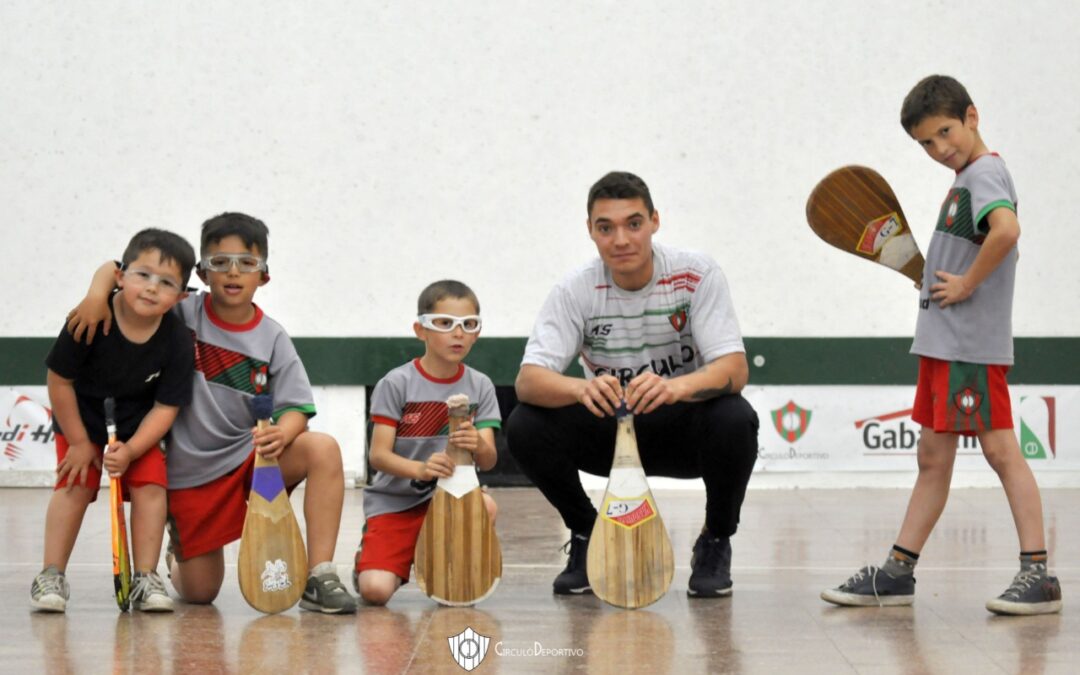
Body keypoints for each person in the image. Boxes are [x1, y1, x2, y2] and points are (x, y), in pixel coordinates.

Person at [821, 75, 1063, 615]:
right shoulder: (964, 180)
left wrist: (967, 284)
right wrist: (943, 275)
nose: (939, 148)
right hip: (944, 346)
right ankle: (897, 572)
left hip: (968, 348)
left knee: (1001, 452)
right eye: (926, 142)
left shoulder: (985, 173)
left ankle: (1039, 575)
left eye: (946, 132)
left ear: (972, 116)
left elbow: (1007, 232)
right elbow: (993, 247)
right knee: (932, 457)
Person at [68, 213, 357, 613]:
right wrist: (96, 294)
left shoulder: (272, 336)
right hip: (191, 478)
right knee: (201, 593)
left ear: (264, 276)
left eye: (246, 263)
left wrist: (283, 433)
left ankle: (320, 574)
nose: (233, 272)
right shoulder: (181, 312)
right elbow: (120, 271)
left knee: (322, 447)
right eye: (220, 263)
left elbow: (297, 409)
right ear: (202, 274)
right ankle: (176, 556)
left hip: (251, 463)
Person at [508, 171, 760, 598]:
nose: (621, 239)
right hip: (612, 431)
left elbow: (735, 368)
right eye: (605, 227)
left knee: (736, 417)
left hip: (681, 430)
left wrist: (676, 388)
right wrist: (580, 389)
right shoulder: (575, 289)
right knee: (525, 424)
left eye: (633, 224)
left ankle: (716, 540)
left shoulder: (696, 274)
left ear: (655, 222)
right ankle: (589, 536)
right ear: (590, 231)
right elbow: (528, 381)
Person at [32, 228, 196, 613]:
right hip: (81, 423)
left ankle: (146, 578)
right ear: (121, 276)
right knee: (73, 485)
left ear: (182, 297)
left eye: (167, 282)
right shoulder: (90, 317)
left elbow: (165, 408)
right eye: (143, 275)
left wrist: (134, 449)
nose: (152, 287)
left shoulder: (177, 339)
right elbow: (59, 380)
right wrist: (77, 442)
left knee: (152, 489)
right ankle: (50, 575)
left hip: (137, 431)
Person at [354, 280, 500, 605]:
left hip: (452, 499)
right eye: (445, 324)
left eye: (468, 325)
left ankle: (451, 569)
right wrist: (420, 468)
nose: (458, 334)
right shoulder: (396, 383)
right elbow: (378, 456)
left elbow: (489, 460)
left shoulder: (482, 386)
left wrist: (477, 443)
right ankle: (377, 559)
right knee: (374, 591)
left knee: (486, 505)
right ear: (421, 330)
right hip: (396, 503)